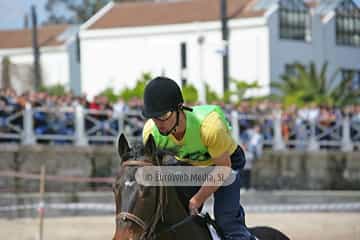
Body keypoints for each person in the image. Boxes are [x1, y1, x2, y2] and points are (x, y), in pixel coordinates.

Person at [142, 76, 255, 240]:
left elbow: (223, 169)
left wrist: (198, 199)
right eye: (153, 117)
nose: (159, 123)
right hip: (192, 167)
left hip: (225, 167)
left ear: (179, 108)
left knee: (227, 222)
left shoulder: (210, 127)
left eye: (164, 115)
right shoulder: (151, 133)